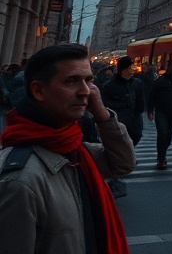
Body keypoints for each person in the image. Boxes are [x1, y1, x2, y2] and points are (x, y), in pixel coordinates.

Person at [0, 43, 135, 253]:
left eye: (89, 80)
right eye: (72, 81)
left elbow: (122, 163)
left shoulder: (74, 150)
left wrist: (102, 115)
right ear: (38, 90)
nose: (85, 92)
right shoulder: (20, 181)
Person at [102, 57, 145, 146]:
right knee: (121, 142)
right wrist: (121, 106)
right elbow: (105, 102)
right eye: (130, 67)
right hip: (119, 120)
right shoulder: (110, 85)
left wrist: (139, 111)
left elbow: (140, 99)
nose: (133, 69)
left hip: (134, 120)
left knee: (136, 136)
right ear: (124, 70)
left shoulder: (137, 83)